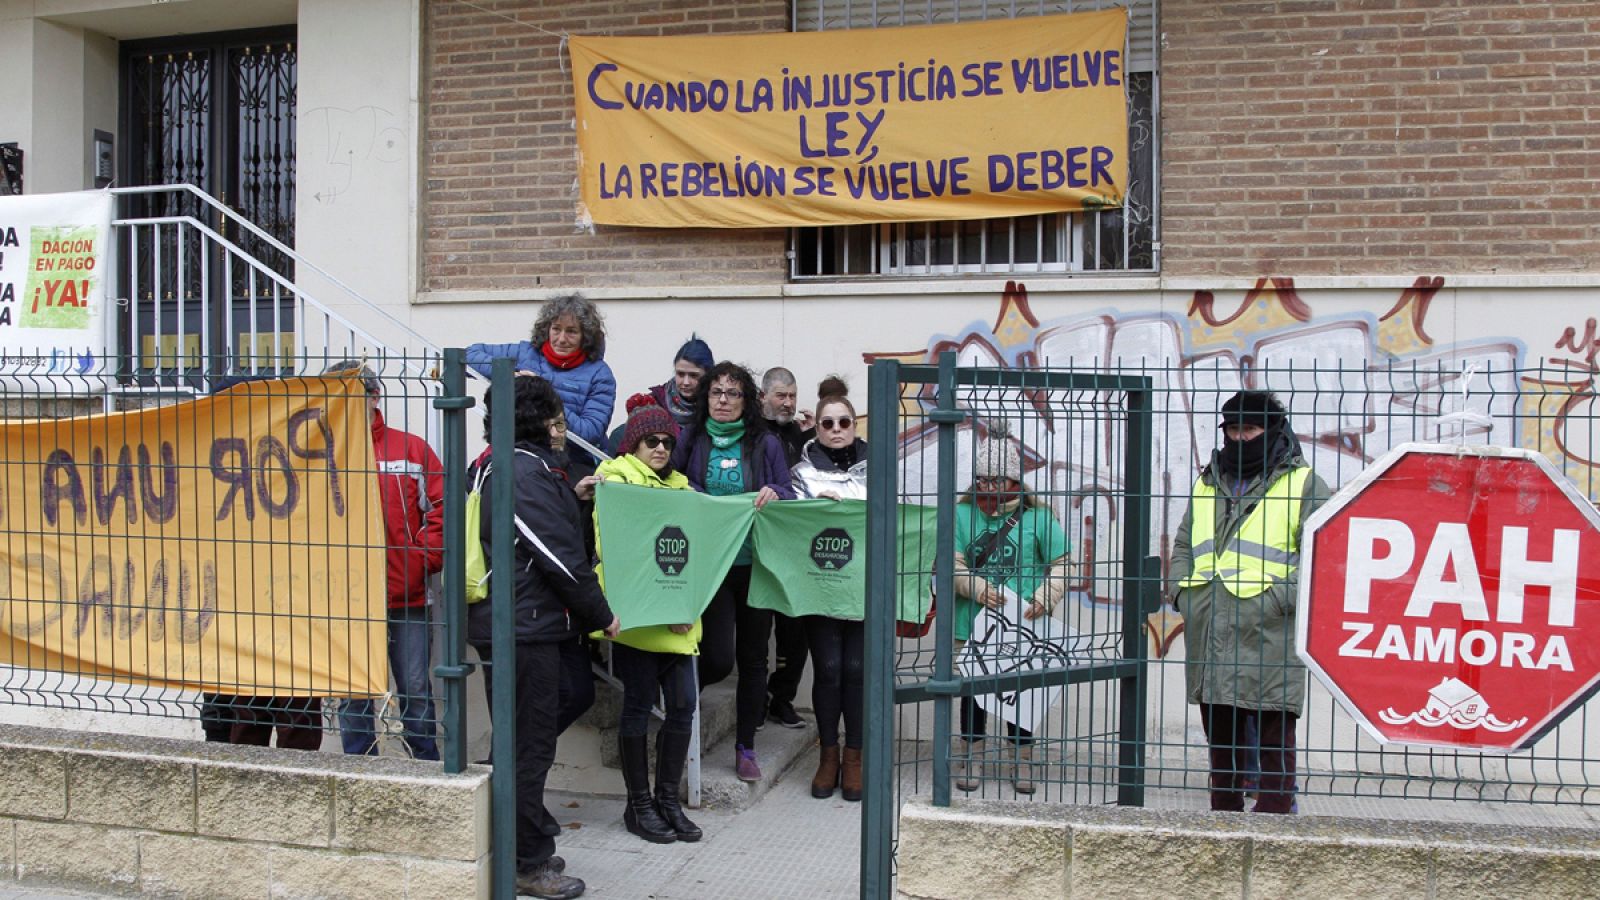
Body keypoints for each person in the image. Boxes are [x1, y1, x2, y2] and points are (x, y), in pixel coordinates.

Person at [468, 375, 621, 900]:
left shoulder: (518, 467)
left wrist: (574, 498)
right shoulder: (519, 471)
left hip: (528, 622)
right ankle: (526, 861)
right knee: (530, 745)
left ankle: (514, 811)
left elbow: (541, 538)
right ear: (536, 423)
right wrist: (601, 613)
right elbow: (556, 553)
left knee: (565, 701)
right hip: (522, 627)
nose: (563, 430)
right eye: (556, 420)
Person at [1171, 390, 1329, 815]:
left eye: (1251, 429)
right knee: (1220, 739)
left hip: (1270, 632)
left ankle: (1277, 822)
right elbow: (1185, 542)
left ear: (1273, 431)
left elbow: (1326, 558)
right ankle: (1223, 821)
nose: (1241, 440)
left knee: (1275, 734)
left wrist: (1279, 599)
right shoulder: (1209, 480)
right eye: (1233, 430)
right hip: (1211, 625)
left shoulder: (1304, 484)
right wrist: (1182, 592)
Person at [670, 361, 795, 782]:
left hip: (756, 563)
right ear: (706, 398)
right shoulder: (693, 437)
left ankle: (746, 747)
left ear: (747, 401)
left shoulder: (766, 443)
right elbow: (674, 483)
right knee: (718, 658)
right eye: (716, 393)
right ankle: (678, 712)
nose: (723, 400)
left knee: (754, 660)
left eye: (733, 393)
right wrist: (694, 493)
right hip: (712, 564)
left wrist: (773, 492)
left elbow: (787, 491)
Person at [589, 399, 703, 844]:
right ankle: (638, 806)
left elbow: (695, 553)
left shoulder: (682, 488)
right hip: (637, 618)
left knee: (683, 708)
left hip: (677, 619)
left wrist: (686, 607)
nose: (660, 448)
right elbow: (619, 549)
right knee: (637, 707)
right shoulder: (613, 481)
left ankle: (667, 801)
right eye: (651, 440)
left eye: (667, 442)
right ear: (632, 443)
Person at [325, 361, 445, 761]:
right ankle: (360, 770)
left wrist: (420, 561)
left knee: (415, 691)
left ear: (374, 397)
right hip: (347, 600)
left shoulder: (411, 449)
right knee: (354, 694)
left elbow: (443, 510)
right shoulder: (319, 454)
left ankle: (425, 768)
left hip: (407, 597)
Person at [950, 432, 1071, 794]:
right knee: (973, 692)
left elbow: (1063, 563)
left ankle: (1023, 760)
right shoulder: (959, 514)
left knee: (1022, 693)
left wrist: (1044, 597)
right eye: (982, 479)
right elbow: (949, 562)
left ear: (1015, 480)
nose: (988, 486)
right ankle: (972, 756)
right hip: (971, 623)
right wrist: (977, 589)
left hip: (1023, 624)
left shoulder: (1039, 518)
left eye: (996, 479)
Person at [792, 378, 869, 801]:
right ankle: (828, 756)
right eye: (827, 423)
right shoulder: (801, 472)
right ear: (817, 427)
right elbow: (792, 527)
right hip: (820, 586)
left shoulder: (880, 466)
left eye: (844, 421)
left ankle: (854, 758)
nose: (836, 429)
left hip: (862, 588)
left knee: (856, 669)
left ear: (854, 424)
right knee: (829, 668)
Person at [465, 293, 616, 468]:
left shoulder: (600, 374)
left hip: (573, 463)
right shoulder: (525, 353)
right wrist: (508, 374)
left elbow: (590, 432)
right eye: (556, 329)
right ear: (546, 329)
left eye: (572, 331)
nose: (561, 339)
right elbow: (470, 355)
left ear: (586, 336)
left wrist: (544, 395)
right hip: (520, 455)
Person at [759, 366, 815, 731]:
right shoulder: (751, 433)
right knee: (758, 628)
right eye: (781, 395)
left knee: (796, 629)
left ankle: (782, 698)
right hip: (761, 540)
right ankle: (755, 700)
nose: (788, 402)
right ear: (763, 396)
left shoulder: (799, 433)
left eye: (792, 396)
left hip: (795, 542)